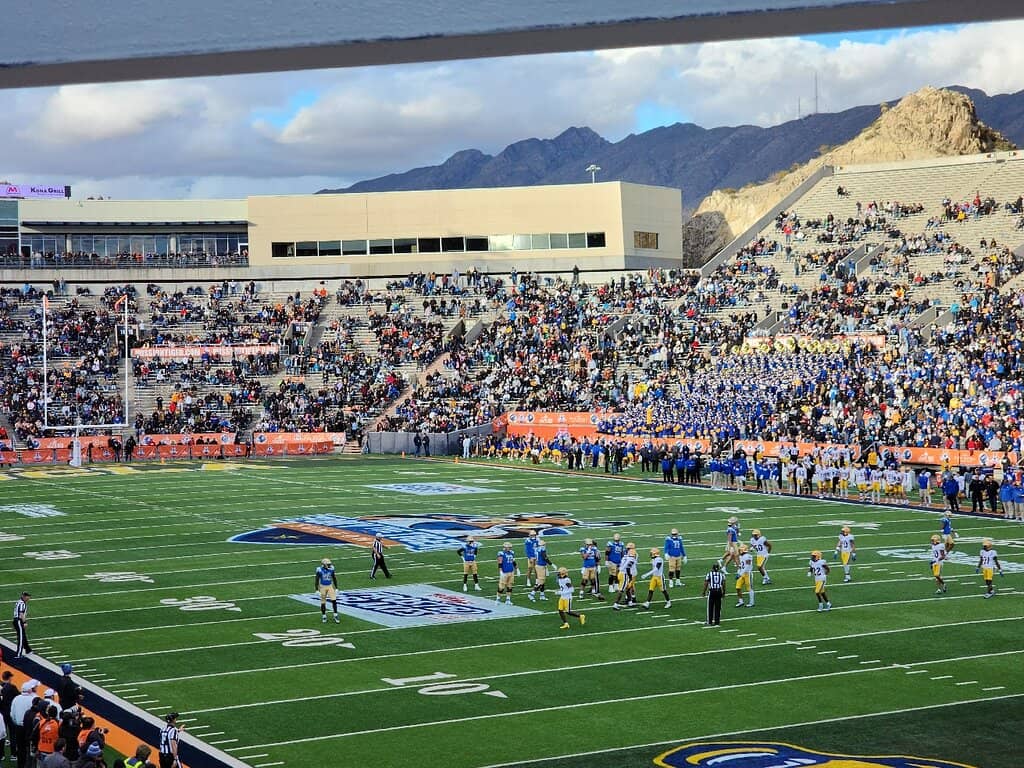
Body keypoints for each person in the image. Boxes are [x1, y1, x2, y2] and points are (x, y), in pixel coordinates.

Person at [9, 680, 37, 768]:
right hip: (29, 727)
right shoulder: (32, 699)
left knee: (20, 748)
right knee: (29, 748)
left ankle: (20, 765)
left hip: (18, 727)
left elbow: (12, 714)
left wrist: (16, 722)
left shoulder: (16, 699)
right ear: (29, 690)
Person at [612, 543, 639, 610]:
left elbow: (620, 566)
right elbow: (628, 568)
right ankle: (616, 604)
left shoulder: (625, 556)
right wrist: (629, 576)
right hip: (625, 574)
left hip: (621, 573)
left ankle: (630, 602)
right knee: (621, 590)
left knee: (628, 588)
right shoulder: (631, 558)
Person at [314, 558, 339, 624]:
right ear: (324, 564)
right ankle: (324, 616)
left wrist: (336, 588)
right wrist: (316, 590)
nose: (330, 565)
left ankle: (335, 615)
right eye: (328, 564)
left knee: (334, 600)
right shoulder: (319, 570)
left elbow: (334, 578)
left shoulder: (331, 569)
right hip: (322, 587)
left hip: (330, 586)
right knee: (323, 602)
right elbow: (316, 580)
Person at [1, 671, 17, 763]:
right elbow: (17, 696)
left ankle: (2, 754)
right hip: (10, 713)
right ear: (9, 677)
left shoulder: (1, 687)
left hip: (2, 713)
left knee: (3, 734)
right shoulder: (12, 687)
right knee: (13, 734)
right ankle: (13, 754)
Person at [12, 592, 32, 658]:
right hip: (18, 621)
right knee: (21, 637)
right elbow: (21, 614)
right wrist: (24, 622)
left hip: (16, 620)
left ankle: (28, 650)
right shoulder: (22, 603)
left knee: (23, 635)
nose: (29, 598)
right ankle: (19, 654)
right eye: (28, 596)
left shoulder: (19, 602)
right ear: (24, 596)